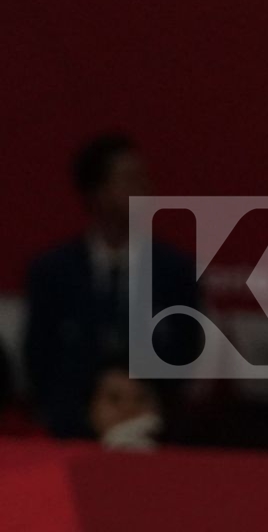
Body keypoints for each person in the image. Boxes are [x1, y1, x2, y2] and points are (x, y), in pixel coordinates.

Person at [23, 132, 199, 438]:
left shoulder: (175, 271)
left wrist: (141, 409)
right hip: (71, 434)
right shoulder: (53, 272)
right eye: (130, 180)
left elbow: (186, 353)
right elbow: (40, 356)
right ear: (98, 192)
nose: (144, 191)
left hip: (156, 436)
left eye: (144, 180)